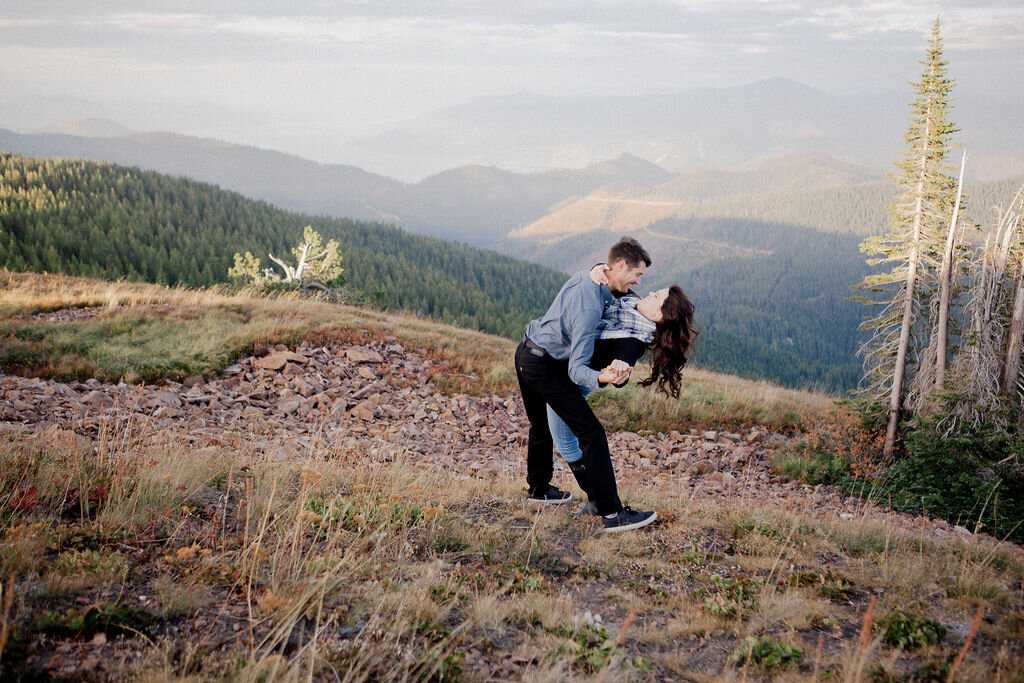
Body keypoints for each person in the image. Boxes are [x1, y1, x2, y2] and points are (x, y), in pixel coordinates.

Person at [514, 237, 658, 533]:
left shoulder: (587, 276)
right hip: (543, 366)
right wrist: (602, 378)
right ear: (619, 266)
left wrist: (596, 268)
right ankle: (612, 513)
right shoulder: (590, 308)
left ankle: (539, 489)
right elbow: (577, 370)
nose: (639, 282)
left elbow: (604, 284)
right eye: (637, 274)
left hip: (526, 351)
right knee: (591, 433)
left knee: (539, 425)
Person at [547, 284, 696, 514]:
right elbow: (610, 283)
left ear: (659, 315)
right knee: (563, 439)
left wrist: (619, 370)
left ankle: (597, 500)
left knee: (566, 444)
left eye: (655, 296)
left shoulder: (632, 341)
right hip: (561, 375)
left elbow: (624, 364)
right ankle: (594, 498)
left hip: (572, 385)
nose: (649, 293)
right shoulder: (629, 304)